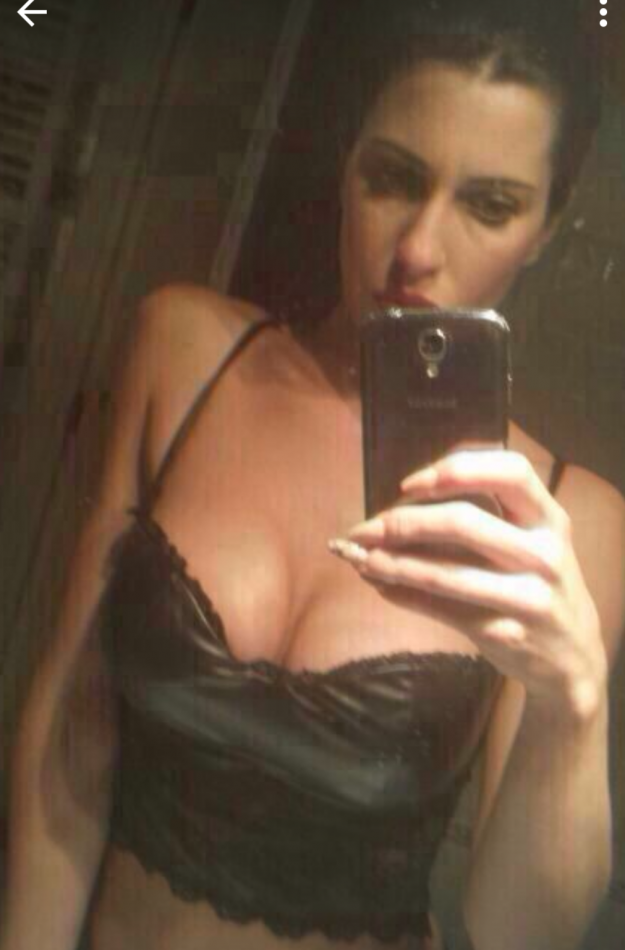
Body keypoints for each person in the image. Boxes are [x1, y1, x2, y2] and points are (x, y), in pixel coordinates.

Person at [2, 2, 624, 949]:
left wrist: (570, 705)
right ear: (344, 161)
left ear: (545, 227)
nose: (418, 250)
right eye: (393, 178)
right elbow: (70, 741)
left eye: (489, 205)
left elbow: (518, 934)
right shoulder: (184, 353)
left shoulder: (575, 521)